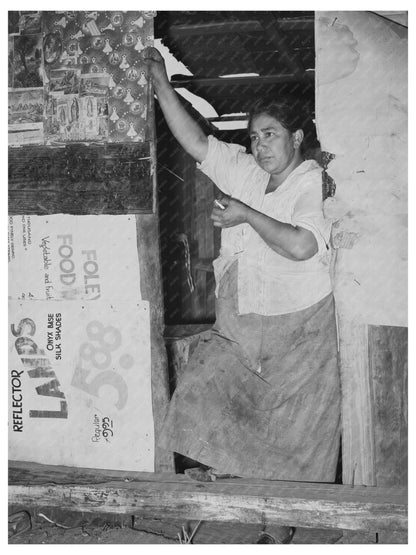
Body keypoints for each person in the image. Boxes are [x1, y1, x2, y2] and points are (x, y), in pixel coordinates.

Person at [144, 47, 341, 544]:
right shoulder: (248, 173)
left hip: (300, 325)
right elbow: (196, 143)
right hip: (246, 318)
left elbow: (302, 244)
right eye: (254, 137)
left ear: (296, 137)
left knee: (295, 436)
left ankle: (278, 530)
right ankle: (232, 489)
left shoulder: (307, 179)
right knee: (205, 385)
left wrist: (246, 216)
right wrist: (161, 84)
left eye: (270, 134)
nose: (259, 146)